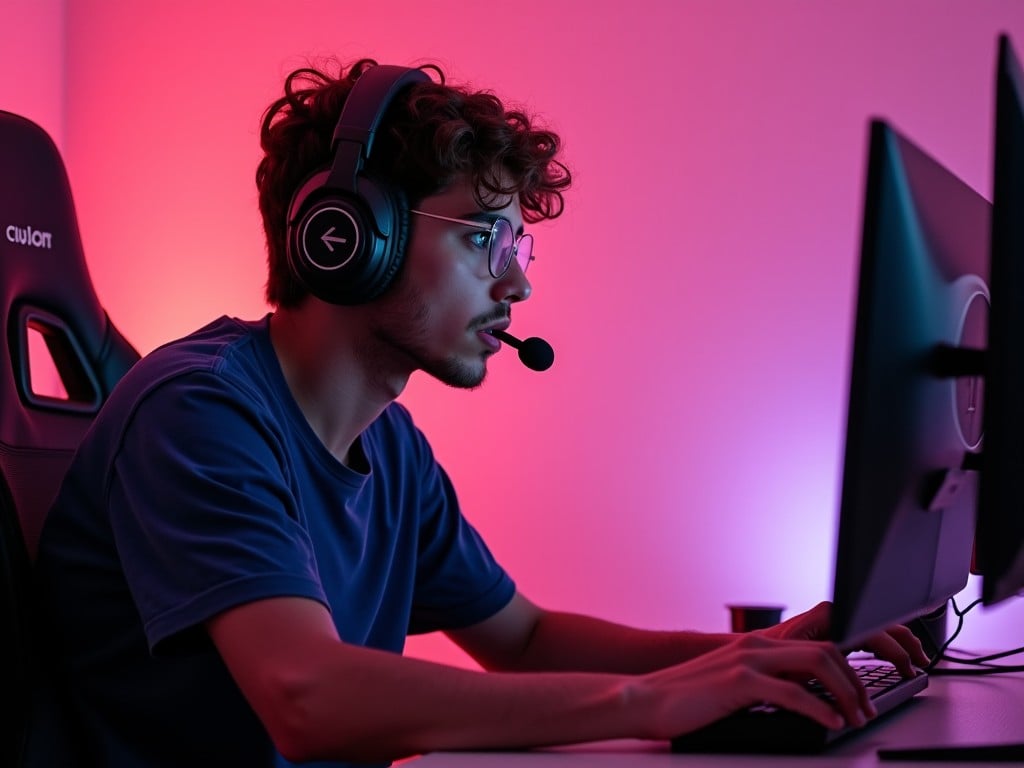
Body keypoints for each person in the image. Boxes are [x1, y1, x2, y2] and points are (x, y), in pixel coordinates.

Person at [33, 58, 929, 768]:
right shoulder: (199, 414)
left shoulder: (389, 446)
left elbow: (525, 638)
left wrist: (753, 655)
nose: (518, 281)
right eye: (480, 238)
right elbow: (307, 697)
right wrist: (651, 703)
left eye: (518, 243)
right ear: (347, 237)